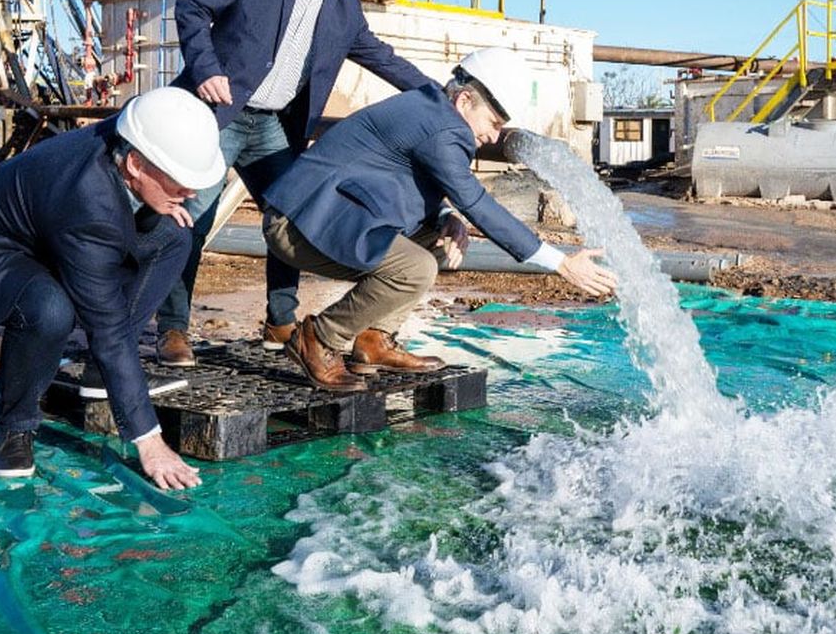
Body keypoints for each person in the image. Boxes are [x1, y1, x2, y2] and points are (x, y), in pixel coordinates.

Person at [157, 0, 437, 368]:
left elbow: (382, 59)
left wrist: (442, 95)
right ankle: (173, 330)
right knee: (191, 220)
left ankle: (280, 322)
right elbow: (192, 8)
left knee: (294, 213)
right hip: (220, 115)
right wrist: (206, 69)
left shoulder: (345, 8)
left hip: (273, 127)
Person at [261, 47, 618, 391]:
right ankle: (318, 338)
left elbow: (409, 177)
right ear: (465, 101)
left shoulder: (433, 110)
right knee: (415, 268)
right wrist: (562, 264)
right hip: (297, 222)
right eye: (493, 122)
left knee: (437, 240)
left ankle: (373, 340)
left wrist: (446, 215)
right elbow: (478, 203)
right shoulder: (445, 130)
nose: (494, 137)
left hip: (328, 211)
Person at [0, 87, 220, 490]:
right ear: (135, 165)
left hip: (46, 233)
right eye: (179, 183)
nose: (191, 193)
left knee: (175, 236)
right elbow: (106, 326)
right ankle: (15, 428)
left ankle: (100, 372)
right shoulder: (88, 201)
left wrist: (161, 200)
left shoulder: (136, 135)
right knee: (49, 308)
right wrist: (150, 440)